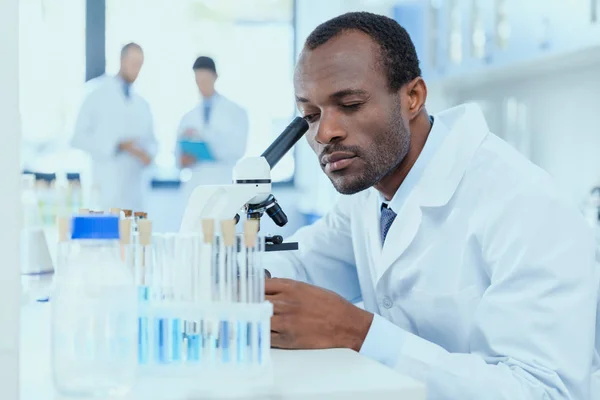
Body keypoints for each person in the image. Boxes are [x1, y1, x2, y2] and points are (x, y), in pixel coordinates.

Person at [263, 12, 599, 399]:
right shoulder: (372, 194)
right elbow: (305, 265)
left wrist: (357, 332)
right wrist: (231, 278)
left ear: (413, 97)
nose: (324, 132)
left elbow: (544, 391)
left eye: (351, 104)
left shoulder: (527, 206)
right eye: (310, 115)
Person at [71, 42, 157, 211]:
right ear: (121, 60)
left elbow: (152, 141)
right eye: (133, 63)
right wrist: (117, 145)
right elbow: (78, 138)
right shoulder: (95, 93)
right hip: (104, 186)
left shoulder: (142, 103)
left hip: (134, 188)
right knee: (103, 233)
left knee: (133, 234)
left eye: (139, 64)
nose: (136, 69)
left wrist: (147, 154)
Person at [176, 56, 248, 193]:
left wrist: (207, 142)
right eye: (198, 81)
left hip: (222, 181)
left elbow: (238, 149)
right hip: (195, 184)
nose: (202, 85)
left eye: (205, 80)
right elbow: (178, 156)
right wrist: (183, 159)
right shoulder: (188, 117)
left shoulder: (236, 112)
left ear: (215, 77)